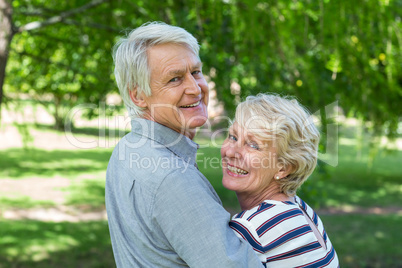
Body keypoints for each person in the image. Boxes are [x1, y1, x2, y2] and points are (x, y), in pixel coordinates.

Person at [105, 22, 263, 267]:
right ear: (138, 96)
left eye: (196, 72)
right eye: (175, 79)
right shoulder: (173, 178)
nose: (195, 88)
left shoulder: (126, 149)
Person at [221, 93, 339, 267]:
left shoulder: (254, 228)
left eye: (253, 145)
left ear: (284, 168)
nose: (231, 152)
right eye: (233, 136)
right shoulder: (301, 210)